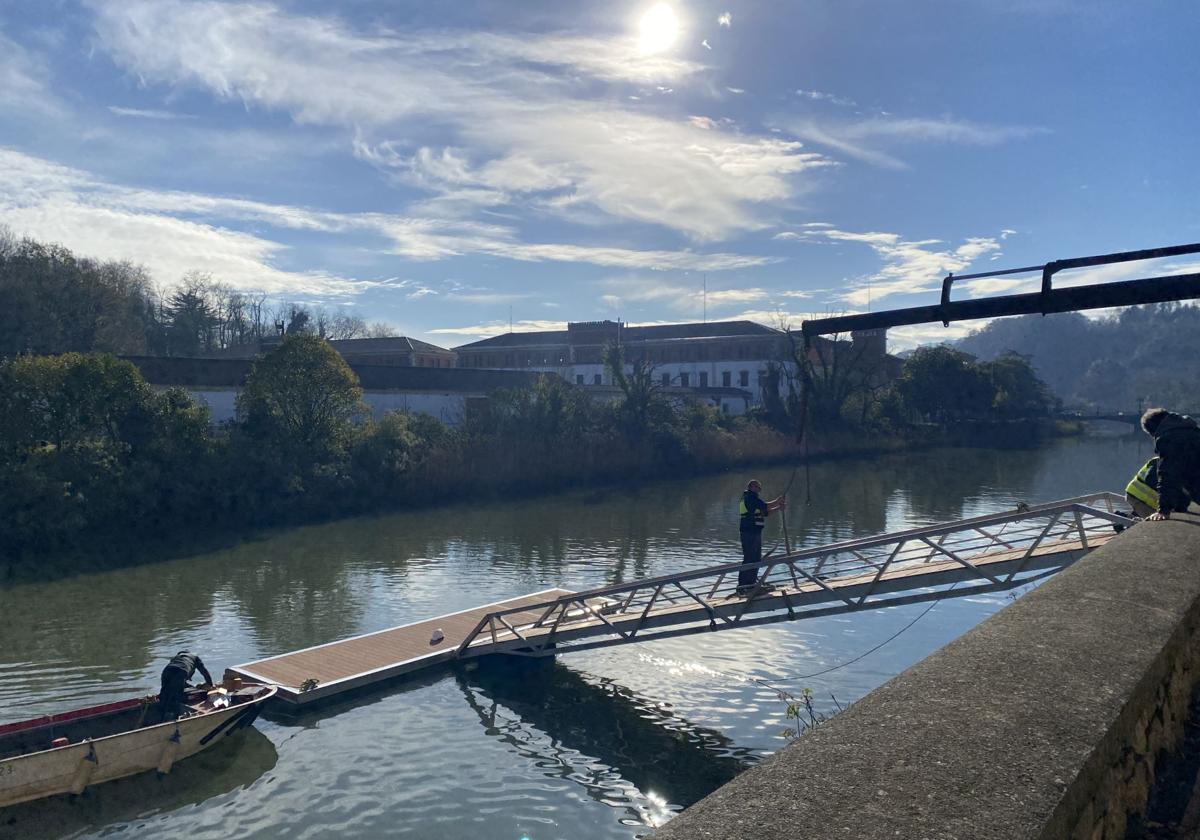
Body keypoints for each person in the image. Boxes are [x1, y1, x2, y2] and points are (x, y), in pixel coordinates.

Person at [1140, 408, 1200, 521]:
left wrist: (1163, 510)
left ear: (1154, 430)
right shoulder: (1191, 430)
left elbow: (1168, 474)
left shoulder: (1168, 438)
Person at [738, 479, 785, 593]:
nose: (759, 490)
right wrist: (778, 501)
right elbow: (765, 506)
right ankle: (744, 585)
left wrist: (779, 508)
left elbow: (765, 513)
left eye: (759, 488)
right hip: (749, 532)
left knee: (755, 558)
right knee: (750, 558)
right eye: (757, 487)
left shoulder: (753, 499)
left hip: (755, 532)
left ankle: (751, 583)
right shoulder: (749, 498)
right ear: (751, 487)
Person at [156, 650, 214, 722]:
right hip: (181, 671)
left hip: (166, 671)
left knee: (164, 692)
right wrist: (210, 684)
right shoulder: (195, 658)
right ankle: (175, 717)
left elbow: (176, 673)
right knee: (178, 695)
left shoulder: (177, 657)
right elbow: (204, 672)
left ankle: (160, 714)